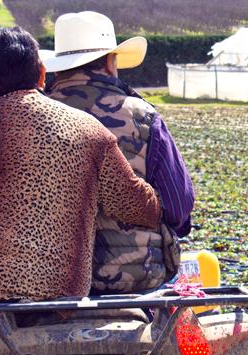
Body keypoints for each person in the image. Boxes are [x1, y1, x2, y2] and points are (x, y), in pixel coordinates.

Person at [0, 26, 161, 306]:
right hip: (54, 295)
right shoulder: (90, 130)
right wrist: (161, 208)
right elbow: (133, 205)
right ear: (42, 73)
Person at [41, 11, 195, 295]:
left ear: (57, 66)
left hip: (49, 279)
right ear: (111, 63)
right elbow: (179, 206)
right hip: (136, 279)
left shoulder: (34, 115)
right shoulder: (143, 116)